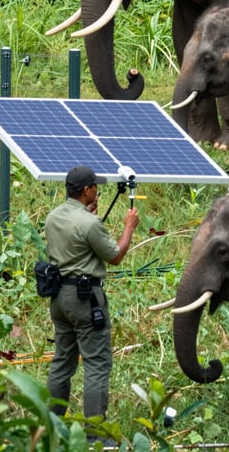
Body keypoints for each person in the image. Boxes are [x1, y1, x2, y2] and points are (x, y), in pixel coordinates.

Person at [45, 165, 140, 422]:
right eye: (95, 187)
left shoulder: (53, 217)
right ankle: (94, 433)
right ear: (86, 190)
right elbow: (116, 256)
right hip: (85, 299)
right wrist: (129, 226)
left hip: (59, 298)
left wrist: (90, 217)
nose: (98, 191)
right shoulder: (89, 224)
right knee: (97, 365)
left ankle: (50, 425)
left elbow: (74, 241)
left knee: (62, 361)